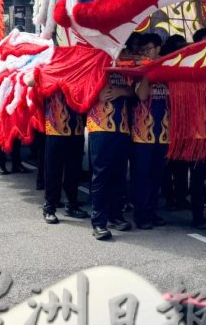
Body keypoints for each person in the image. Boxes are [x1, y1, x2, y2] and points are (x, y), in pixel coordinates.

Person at [86, 63, 135, 241]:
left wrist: (122, 91)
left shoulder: (124, 65)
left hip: (122, 128)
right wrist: (95, 93)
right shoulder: (93, 63)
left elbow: (133, 91)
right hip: (99, 127)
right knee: (101, 175)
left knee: (119, 175)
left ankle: (115, 216)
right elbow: (80, 89)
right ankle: (99, 223)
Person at [131, 32, 168, 230]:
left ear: (158, 49)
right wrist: (148, 70)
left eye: (150, 49)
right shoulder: (138, 70)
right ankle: (141, 215)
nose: (147, 52)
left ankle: (153, 212)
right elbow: (142, 95)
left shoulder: (169, 69)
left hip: (163, 133)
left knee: (157, 176)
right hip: (141, 134)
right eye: (143, 50)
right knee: (142, 176)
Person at [41, 91, 88, 225]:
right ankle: (49, 207)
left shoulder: (78, 71)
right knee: (53, 170)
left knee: (73, 171)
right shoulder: (49, 69)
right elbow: (33, 82)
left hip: (76, 128)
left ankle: (72, 205)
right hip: (55, 128)